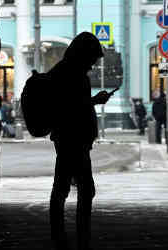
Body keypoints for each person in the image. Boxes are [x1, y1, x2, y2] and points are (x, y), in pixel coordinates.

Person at [46, 32, 112, 250]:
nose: (93, 64)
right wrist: (95, 100)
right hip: (71, 140)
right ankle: (76, 236)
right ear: (84, 55)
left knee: (66, 187)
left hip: (70, 140)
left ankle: (63, 235)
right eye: (92, 58)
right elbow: (72, 107)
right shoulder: (71, 74)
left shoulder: (64, 71)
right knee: (79, 188)